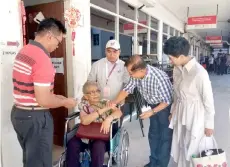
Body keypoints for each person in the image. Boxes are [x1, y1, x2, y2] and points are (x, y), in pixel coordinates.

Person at [11, 18, 77, 167]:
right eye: (58, 41)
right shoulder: (42, 59)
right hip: (35, 118)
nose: (57, 46)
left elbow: (39, 91)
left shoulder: (24, 51)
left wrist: (61, 97)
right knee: (40, 163)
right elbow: (44, 100)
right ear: (49, 36)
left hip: (20, 114)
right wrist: (65, 102)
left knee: (31, 159)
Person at [109, 55, 173, 167]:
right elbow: (127, 89)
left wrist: (152, 112)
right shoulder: (136, 75)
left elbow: (167, 101)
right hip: (152, 105)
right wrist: (114, 102)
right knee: (153, 135)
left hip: (164, 108)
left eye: (131, 73)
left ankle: (161, 164)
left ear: (141, 70)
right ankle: (153, 162)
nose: (130, 75)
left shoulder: (159, 77)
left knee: (164, 137)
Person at [163, 37, 215, 166]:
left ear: (181, 56)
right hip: (180, 111)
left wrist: (209, 124)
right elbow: (176, 94)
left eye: (171, 58)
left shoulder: (199, 73)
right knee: (181, 144)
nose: (170, 61)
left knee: (194, 146)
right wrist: (172, 112)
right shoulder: (176, 69)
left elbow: (208, 101)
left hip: (196, 114)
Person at [66, 81, 122, 167]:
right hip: (85, 137)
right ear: (85, 96)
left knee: (98, 146)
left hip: (102, 136)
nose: (96, 94)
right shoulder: (84, 105)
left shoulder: (106, 102)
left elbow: (119, 113)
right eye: (92, 92)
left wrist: (108, 119)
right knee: (72, 143)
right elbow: (85, 121)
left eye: (97, 91)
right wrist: (102, 110)